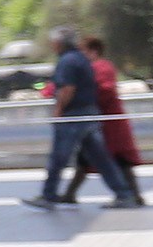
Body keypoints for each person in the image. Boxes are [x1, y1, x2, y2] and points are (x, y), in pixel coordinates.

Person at [24, 24, 143, 207]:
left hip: (74, 115)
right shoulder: (81, 59)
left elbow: (67, 88)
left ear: (58, 42)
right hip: (90, 114)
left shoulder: (67, 61)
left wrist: (59, 110)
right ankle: (124, 194)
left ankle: (48, 195)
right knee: (100, 157)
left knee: (59, 157)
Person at [61, 34, 140, 199]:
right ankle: (69, 194)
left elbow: (105, 90)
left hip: (109, 123)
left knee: (119, 159)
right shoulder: (92, 68)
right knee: (86, 158)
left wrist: (85, 95)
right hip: (100, 122)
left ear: (93, 51)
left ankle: (133, 196)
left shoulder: (101, 67)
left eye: (83, 51)